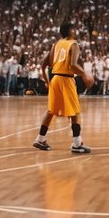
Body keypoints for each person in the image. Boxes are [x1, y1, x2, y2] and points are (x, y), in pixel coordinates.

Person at [33, 21, 95, 153]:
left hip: (55, 79)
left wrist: (47, 81)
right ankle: (77, 143)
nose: (76, 32)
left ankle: (40, 138)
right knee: (75, 111)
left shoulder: (56, 44)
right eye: (74, 29)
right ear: (70, 31)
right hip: (66, 79)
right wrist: (85, 75)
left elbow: (43, 64)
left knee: (51, 111)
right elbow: (72, 65)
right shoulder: (73, 44)